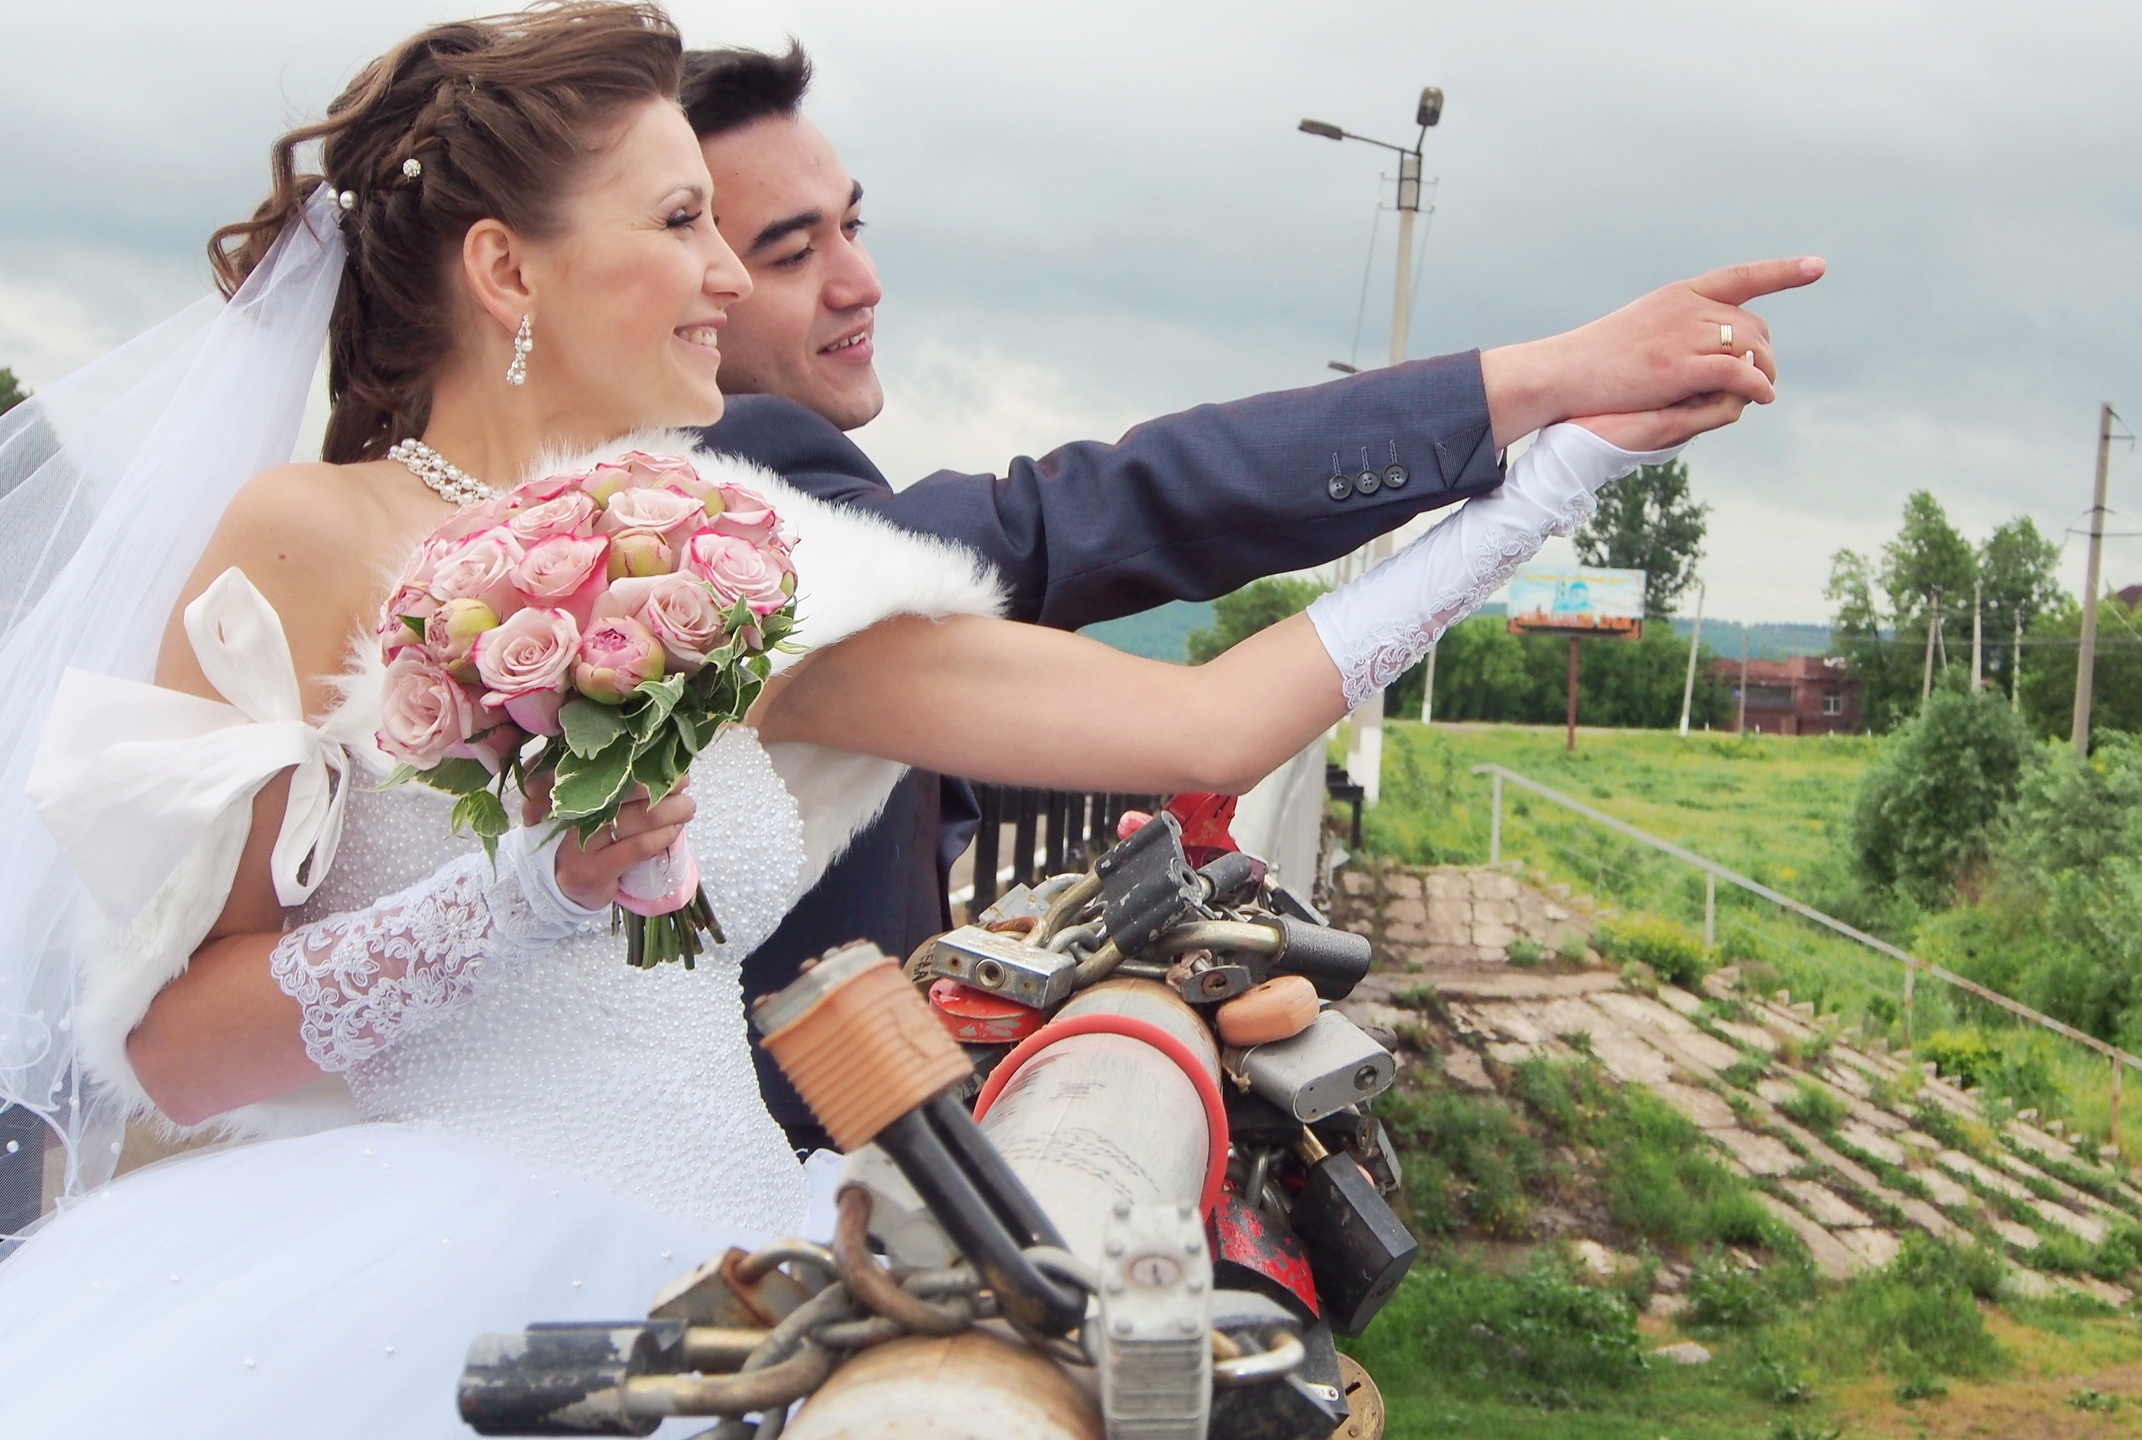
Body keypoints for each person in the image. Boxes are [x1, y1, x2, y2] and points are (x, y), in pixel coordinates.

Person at [0, 5, 1815, 1433]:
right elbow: (174, 1055)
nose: (733, 278)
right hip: (427, 1291)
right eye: (686, 221)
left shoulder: (738, 556)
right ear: (505, 273)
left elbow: (1200, 733)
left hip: (740, 1259)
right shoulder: (305, 544)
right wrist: (529, 894)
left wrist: (1547, 475)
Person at [671, 43, 1803, 1152]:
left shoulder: (584, 541)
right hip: (766, 1177)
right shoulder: (701, 524)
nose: (860, 280)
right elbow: (1108, 529)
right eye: (783, 253)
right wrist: (1553, 415)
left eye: (853, 226)